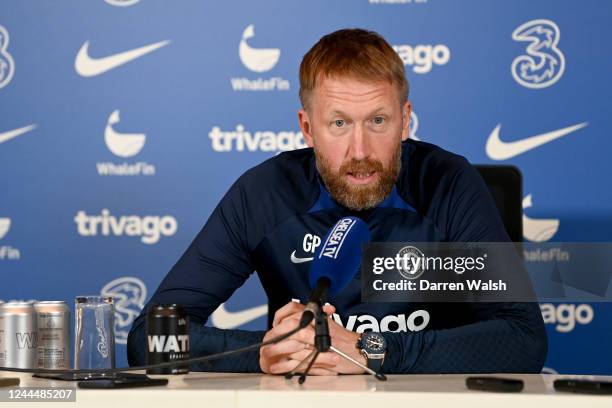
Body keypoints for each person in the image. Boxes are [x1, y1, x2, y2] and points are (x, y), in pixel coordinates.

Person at [127, 28, 547, 374]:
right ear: (308, 129)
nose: (360, 150)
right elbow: (149, 337)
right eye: (339, 123)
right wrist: (267, 351)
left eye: (378, 121)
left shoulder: (449, 184)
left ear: (406, 121)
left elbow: (522, 339)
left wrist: (373, 350)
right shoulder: (264, 193)